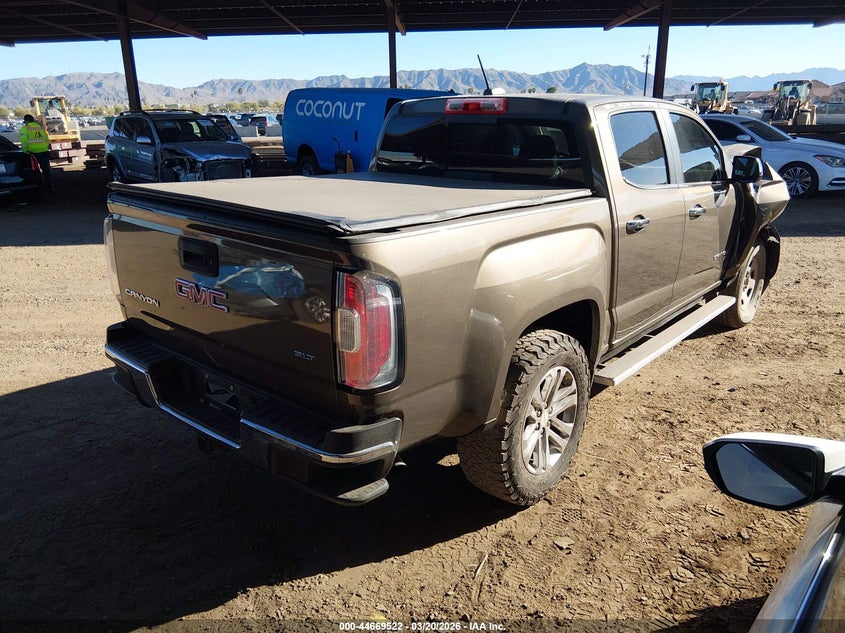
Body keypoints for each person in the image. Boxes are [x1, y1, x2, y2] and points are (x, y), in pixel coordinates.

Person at [19, 113, 54, 193]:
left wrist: (24, 151)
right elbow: (46, 139)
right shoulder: (40, 128)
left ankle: (37, 187)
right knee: (46, 170)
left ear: (26, 121)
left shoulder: (25, 128)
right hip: (44, 151)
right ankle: (50, 187)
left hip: (32, 153)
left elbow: (24, 141)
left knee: (33, 171)